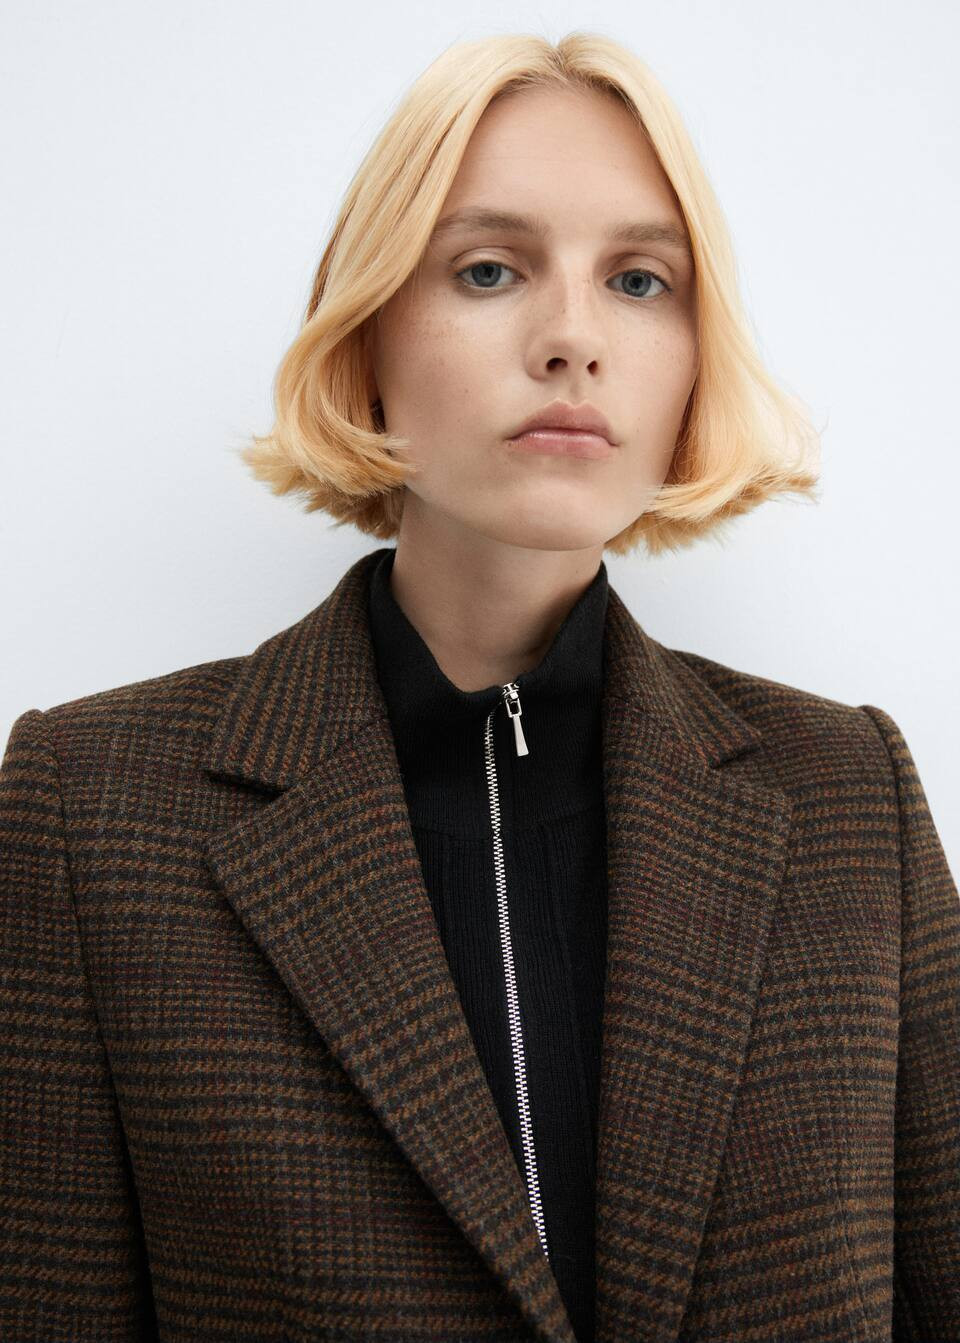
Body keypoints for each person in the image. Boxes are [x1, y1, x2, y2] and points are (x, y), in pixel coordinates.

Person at [1, 29, 957, 1343]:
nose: (572, 339)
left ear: (695, 354)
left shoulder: (850, 796)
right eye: (490, 269)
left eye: (638, 279)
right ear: (368, 334)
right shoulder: (93, 810)